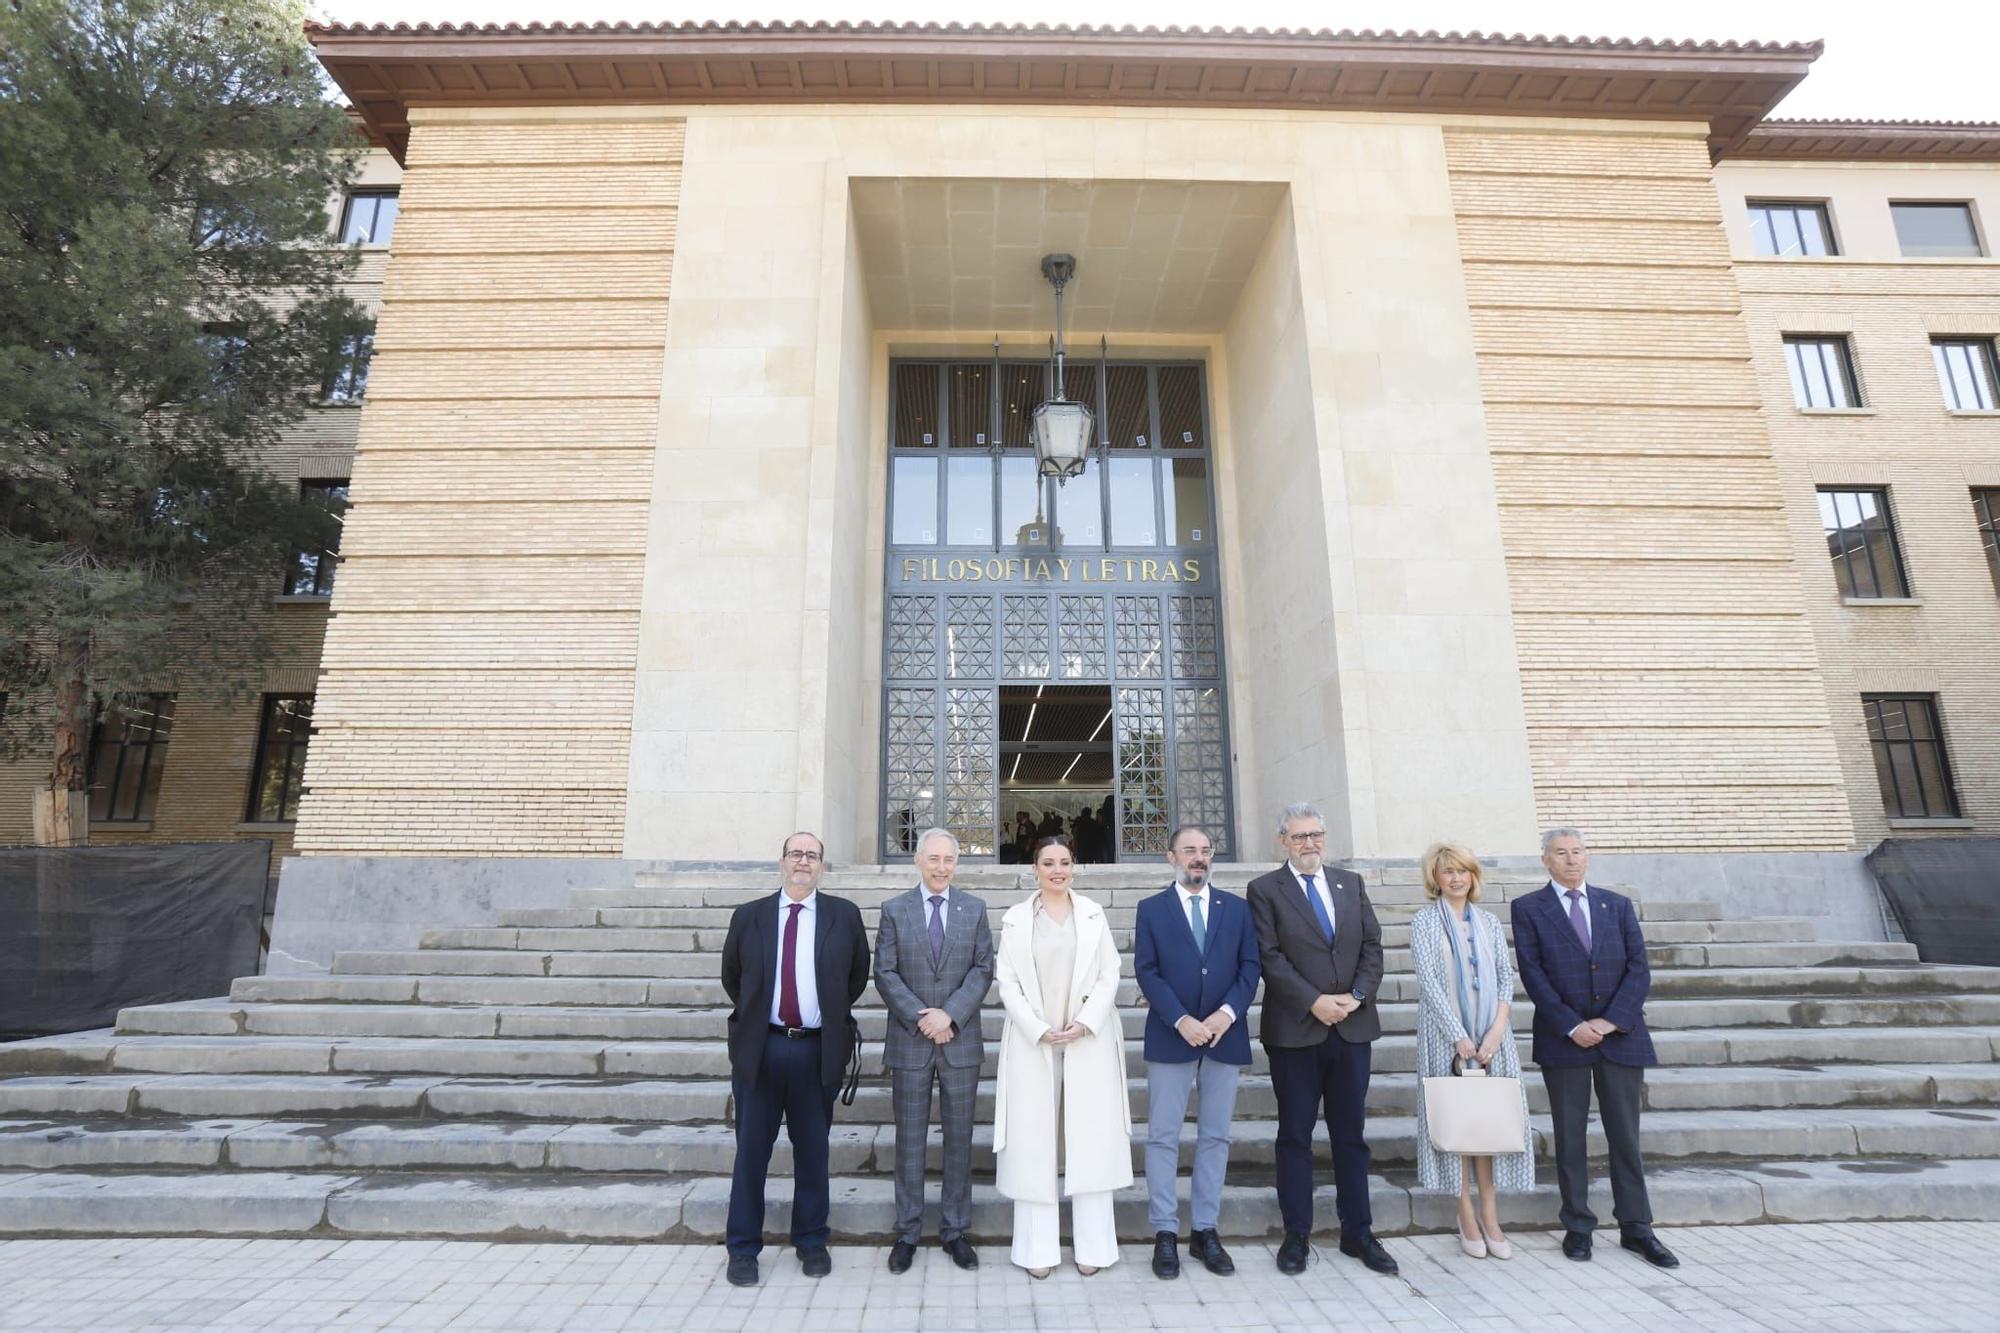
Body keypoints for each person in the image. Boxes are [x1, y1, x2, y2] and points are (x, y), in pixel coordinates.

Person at [1512, 827, 1679, 1269]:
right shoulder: (1528, 908)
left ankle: (1637, 1228)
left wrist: (1611, 1021)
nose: (1571, 860)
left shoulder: (1617, 905)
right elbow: (1533, 973)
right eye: (1560, 853)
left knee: (1626, 1137)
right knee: (1569, 1137)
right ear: (1545, 860)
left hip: (1620, 1037)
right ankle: (1579, 1227)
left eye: (1578, 852)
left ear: (1588, 857)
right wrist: (1571, 1025)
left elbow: (1639, 968)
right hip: (1563, 1038)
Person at [1245, 802, 1396, 1276]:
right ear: (1282, 841)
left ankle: (1358, 1232)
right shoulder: (1264, 890)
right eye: (1299, 837)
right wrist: (1315, 1001)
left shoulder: (1350, 884)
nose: (1309, 844)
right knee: (1294, 1135)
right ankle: (1296, 1234)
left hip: (1351, 1028)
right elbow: (1268, 956)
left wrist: (1354, 996)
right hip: (1296, 1030)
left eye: (1315, 835)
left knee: (1351, 1136)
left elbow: (1371, 946)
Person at [719, 832, 871, 1287]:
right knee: (751, 1154)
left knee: (813, 1152)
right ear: (781, 861)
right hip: (761, 1050)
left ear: (822, 865)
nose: (803, 861)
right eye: (796, 854)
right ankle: (743, 1248)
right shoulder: (749, 917)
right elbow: (733, 977)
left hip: (816, 1049)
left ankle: (811, 1241)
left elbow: (856, 977)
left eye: (812, 855)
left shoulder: (843, 916)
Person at [992, 835, 1132, 1277]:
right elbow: (1007, 982)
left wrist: (1087, 1021)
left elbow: (1111, 973)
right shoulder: (1016, 919)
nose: (1057, 870)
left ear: (1074, 867)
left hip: (1086, 1039)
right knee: (1035, 1144)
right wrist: (1037, 1028)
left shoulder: (1092, 913)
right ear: (1034, 868)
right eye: (1048, 863)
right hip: (1035, 1042)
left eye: (1065, 862)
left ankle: (1094, 1249)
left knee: (1089, 1140)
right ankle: (1037, 1251)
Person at [1134, 825, 1261, 1279]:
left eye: (1206, 851)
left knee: (1215, 1137)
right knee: (1164, 1136)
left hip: (1226, 1035)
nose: (1199, 858)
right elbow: (1146, 971)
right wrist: (1182, 1019)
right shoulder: (1151, 910)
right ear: (1171, 857)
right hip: (1173, 1035)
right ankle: (1165, 1232)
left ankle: (1205, 1230)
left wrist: (1225, 1015)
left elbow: (1251, 967)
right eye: (1190, 850)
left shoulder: (1238, 909)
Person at [874, 828, 995, 1274]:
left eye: (949, 860)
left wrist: (950, 1015)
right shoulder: (894, 910)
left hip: (959, 1041)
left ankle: (955, 1231)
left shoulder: (974, 909)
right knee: (909, 1141)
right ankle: (907, 1231)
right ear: (918, 862)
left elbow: (984, 969)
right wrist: (923, 1017)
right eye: (934, 859)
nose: (942, 867)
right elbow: (884, 972)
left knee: (959, 1140)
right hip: (911, 1043)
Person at [1409, 841, 1532, 1260]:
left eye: (1463, 871)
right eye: (1448, 872)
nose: (1456, 878)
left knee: (1488, 1123)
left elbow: (1503, 976)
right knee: (1458, 1123)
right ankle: (1464, 1210)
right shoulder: (1425, 922)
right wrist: (1459, 1035)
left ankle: (1490, 1212)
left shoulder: (1489, 922)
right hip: (1445, 1036)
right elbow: (1428, 979)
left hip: (1493, 1038)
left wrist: (1497, 1029)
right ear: (1435, 879)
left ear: (1473, 876)